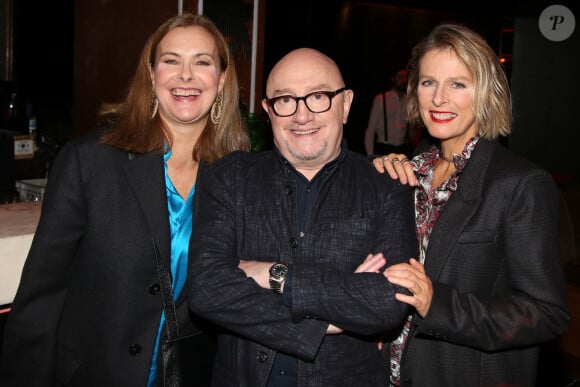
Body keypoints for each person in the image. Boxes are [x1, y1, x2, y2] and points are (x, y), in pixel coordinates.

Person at [0, 13, 250, 387]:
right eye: (171, 61)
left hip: (191, 373)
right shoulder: (90, 161)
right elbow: (41, 296)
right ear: (151, 76)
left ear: (222, 79)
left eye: (202, 62)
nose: (186, 75)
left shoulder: (239, 174)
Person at [187, 47, 418, 386]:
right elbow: (207, 289)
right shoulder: (228, 178)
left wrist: (276, 275)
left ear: (346, 104)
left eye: (319, 96)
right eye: (285, 100)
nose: (302, 115)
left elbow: (388, 301)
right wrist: (329, 316)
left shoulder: (387, 185)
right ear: (268, 110)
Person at [372, 23, 571, 386]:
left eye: (457, 84)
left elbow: (546, 313)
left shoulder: (519, 183)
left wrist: (438, 305)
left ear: (485, 93)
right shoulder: (412, 171)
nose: (439, 98)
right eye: (428, 82)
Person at [364, 68, 418, 157]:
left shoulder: (409, 100)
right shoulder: (381, 99)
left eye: (406, 77)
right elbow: (370, 129)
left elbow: (412, 130)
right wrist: (370, 155)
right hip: (384, 149)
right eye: (400, 77)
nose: (404, 80)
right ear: (393, 79)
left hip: (404, 149)